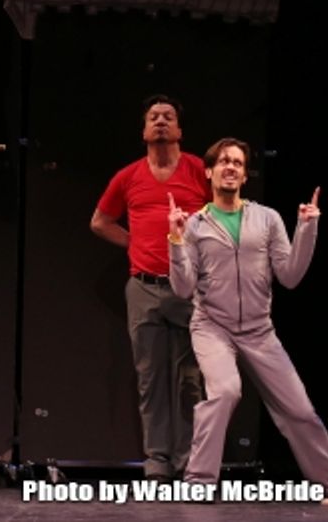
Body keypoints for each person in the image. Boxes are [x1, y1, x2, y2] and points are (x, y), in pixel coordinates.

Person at [168, 137, 328, 489]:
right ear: (209, 172)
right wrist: (174, 239)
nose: (230, 167)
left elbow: (290, 277)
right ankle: (199, 481)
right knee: (225, 392)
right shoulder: (196, 226)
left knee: (299, 410)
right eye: (223, 162)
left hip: (259, 330)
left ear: (245, 176)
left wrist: (307, 228)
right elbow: (183, 288)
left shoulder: (267, 219)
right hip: (212, 326)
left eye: (237, 163)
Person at [91, 94, 210, 481]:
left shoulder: (196, 170)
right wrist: (137, 242)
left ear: (179, 130)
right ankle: (157, 461)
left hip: (189, 290)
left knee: (191, 379)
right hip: (143, 288)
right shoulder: (128, 176)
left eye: (168, 117)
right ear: (144, 131)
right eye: (154, 117)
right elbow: (99, 221)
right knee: (150, 378)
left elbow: (224, 214)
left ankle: (189, 460)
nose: (160, 121)